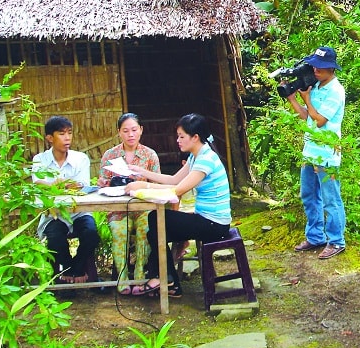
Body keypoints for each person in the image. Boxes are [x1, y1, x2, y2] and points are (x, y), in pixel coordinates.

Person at [125, 113, 231, 298]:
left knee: (156, 220)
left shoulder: (205, 160)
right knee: (155, 228)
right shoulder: (197, 156)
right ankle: (168, 280)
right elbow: (173, 179)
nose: (178, 140)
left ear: (195, 137)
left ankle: (166, 279)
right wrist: (143, 172)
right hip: (206, 219)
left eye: (182, 136)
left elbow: (177, 190)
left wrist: (144, 185)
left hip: (214, 224)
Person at [286, 46, 347, 260]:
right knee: (308, 195)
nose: (315, 70)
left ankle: (336, 241)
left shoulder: (336, 91)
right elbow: (307, 117)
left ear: (331, 68)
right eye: (314, 66)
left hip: (327, 154)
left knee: (331, 199)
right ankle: (315, 236)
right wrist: (293, 98)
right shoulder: (317, 86)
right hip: (309, 151)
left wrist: (307, 100)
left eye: (320, 67)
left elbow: (320, 121)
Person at [97, 113, 160, 295]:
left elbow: (157, 184)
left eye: (134, 130)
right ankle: (122, 279)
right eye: (125, 131)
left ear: (141, 130)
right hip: (118, 208)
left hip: (143, 207)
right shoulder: (110, 155)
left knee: (145, 229)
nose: (130, 134)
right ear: (119, 133)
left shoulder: (150, 155)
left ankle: (140, 275)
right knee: (119, 231)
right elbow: (104, 181)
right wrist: (103, 183)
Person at [32, 115, 99, 284]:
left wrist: (53, 184)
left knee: (91, 233)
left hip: (79, 212)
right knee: (54, 237)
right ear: (49, 138)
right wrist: (62, 183)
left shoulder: (81, 159)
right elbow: (38, 185)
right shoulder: (40, 160)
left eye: (69, 133)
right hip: (53, 213)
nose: (67, 137)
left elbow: (80, 187)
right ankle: (70, 269)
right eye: (61, 133)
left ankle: (76, 269)